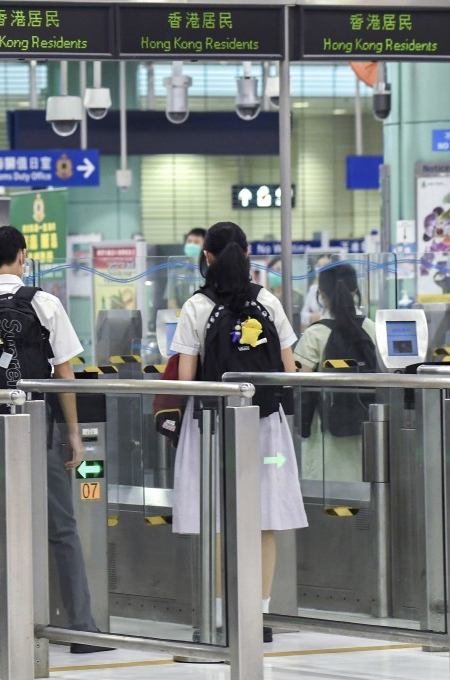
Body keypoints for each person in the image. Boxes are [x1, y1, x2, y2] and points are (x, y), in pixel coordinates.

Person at [0, 226, 110, 655]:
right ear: (22, 256)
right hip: (41, 427)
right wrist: (72, 432)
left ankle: (4, 630)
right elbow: (65, 373)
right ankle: (81, 629)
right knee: (62, 528)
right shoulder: (46, 303)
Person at [170, 222, 308, 643]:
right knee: (263, 519)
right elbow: (290, 369)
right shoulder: (267, 300)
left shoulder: (196, 305)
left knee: (216, 518)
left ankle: (219, 618)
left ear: (206, 257)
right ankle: (259, 617)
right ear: (247, 254)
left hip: (211, 427)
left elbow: (186, 376)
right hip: (266, 427)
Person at [294, 264, 377, 481]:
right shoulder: (371, 328)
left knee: (326, 489)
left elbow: (300, 384)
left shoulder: (314, 334)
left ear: (321, 294)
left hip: (325, 432)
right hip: (367, 430)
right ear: (355, 292)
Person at [166, 227, 207, 309]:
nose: (191, 245)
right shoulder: (176, 270)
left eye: (196, 242)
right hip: (182, 316)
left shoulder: (211, 271)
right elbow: (171, 301)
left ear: (205, 245)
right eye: (189, 241)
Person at [300, 255, 333, 329]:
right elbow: (303, 316)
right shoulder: (313, 289)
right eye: (319, 265)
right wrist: (312, 317)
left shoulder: (336, 287)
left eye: (325, 265)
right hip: (316, 329)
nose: (321, 268)